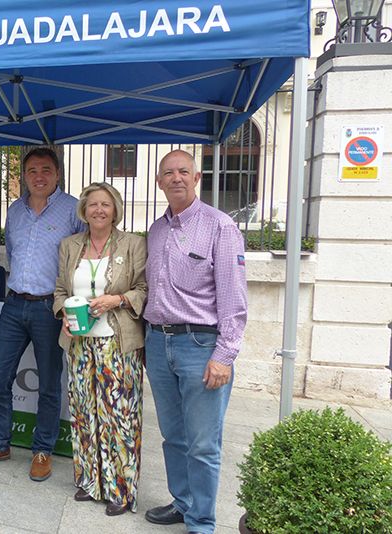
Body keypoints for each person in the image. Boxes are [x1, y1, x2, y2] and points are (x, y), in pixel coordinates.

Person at [143, 150, 247, 534]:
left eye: (183, 171)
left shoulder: (221, 227)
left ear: (197, 177)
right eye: (168, 173)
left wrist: (225, 355)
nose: (176, 178)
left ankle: (202, 523)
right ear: (159, 182)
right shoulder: (156, 230)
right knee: (173, 436)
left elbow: (234, 299)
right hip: (158, 343)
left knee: (203, 444)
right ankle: (183, 503)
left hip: (200, 347)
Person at [0, 147, 83, 481]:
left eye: (46, 170)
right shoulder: (15, 210)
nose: (39, 176)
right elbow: (13, 253)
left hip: (51, 307)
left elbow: (82, 257)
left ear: (57, 174)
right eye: (32, 170)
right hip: (14, 303)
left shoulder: (73, 209)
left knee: (48, 382)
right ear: (23, 175)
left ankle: (42, 449)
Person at [53, 182, 147, 515]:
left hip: (117, 341)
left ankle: (120, 489)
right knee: (83, 412)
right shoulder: (69, 245)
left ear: (115, 209)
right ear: (84, 210)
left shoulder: (133, 244)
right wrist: (63, 314)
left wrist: (116, 299)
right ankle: (89, 481)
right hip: (79, 342)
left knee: (118, 414)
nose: (99, 210)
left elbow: (144, 289)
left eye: (105, 204)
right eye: (93, 204)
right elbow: (60, 290)